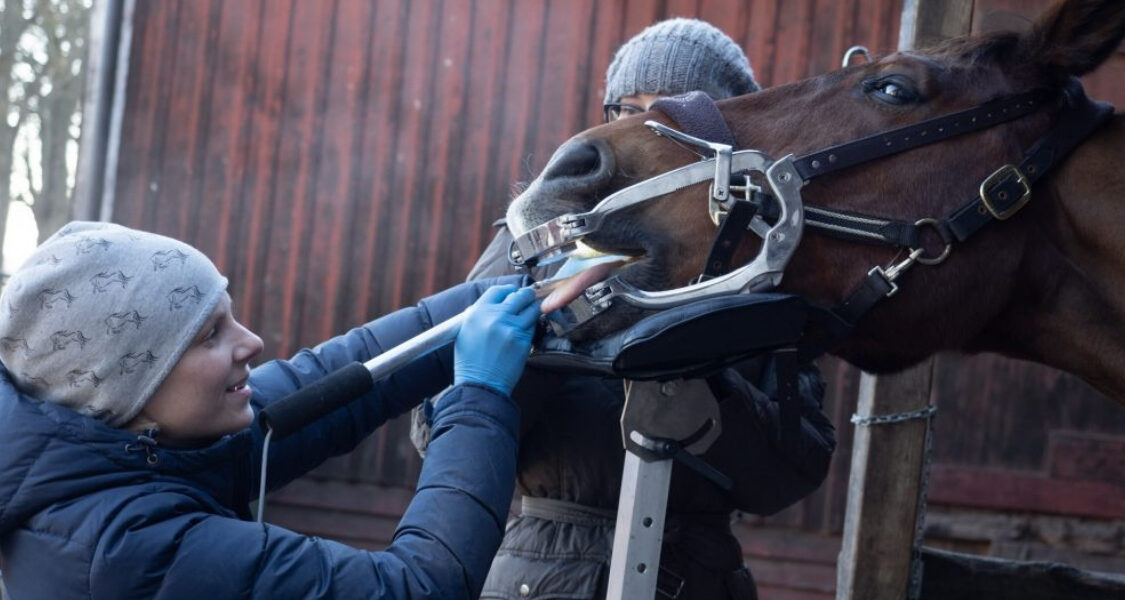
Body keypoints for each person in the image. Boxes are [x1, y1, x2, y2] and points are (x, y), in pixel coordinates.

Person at [414, 18, 836, 600]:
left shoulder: (758, 262)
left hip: (700, 580)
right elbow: (433, 428)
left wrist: (708, 410)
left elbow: (794, 473)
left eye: (670, 114)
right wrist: (522, 358)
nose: (643, 128)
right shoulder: (538, 238)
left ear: (724, 131)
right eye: (627, 109)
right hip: (540, 577)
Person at [0, 221, 541, 599]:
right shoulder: (130, 551)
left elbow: (342, 376)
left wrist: (520, 289)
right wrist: (479, 395)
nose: (252, 342)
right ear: (127, 383)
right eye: (210, 335)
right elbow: (419, 589)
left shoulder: (126, 445)